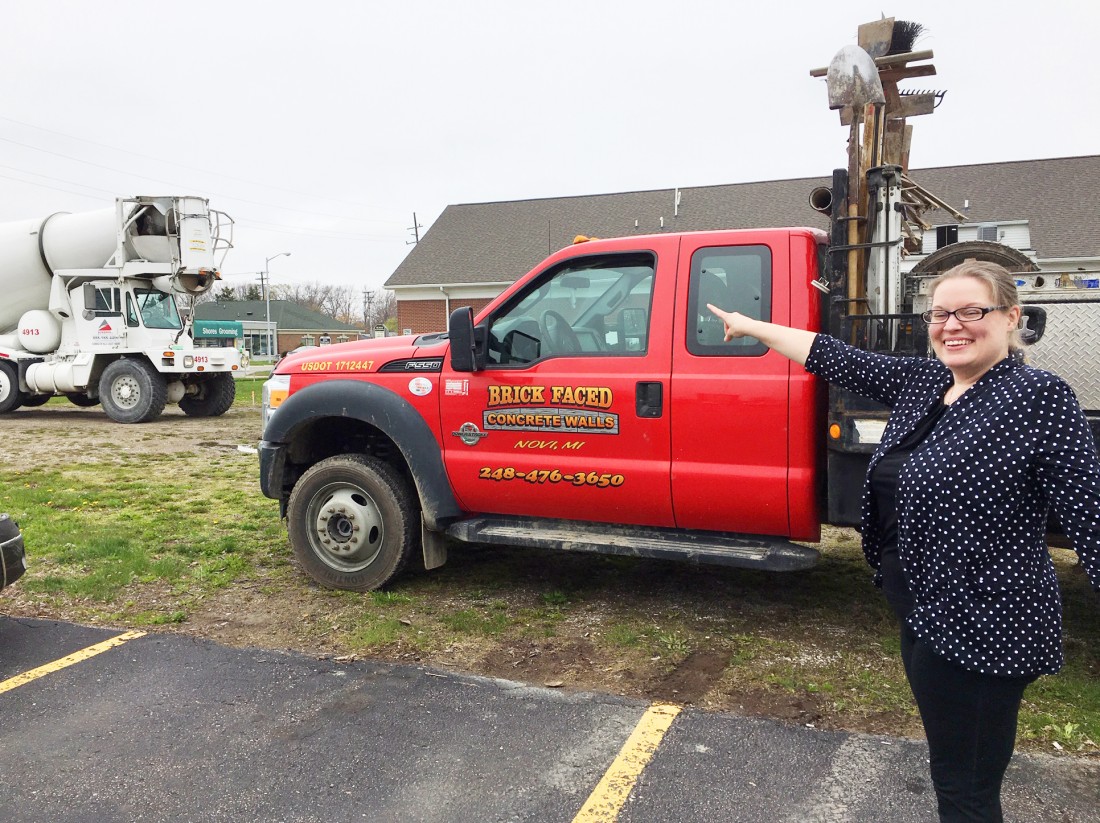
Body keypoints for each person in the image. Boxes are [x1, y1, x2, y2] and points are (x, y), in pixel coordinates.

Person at [708, 260, 1100, 823]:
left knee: (966, 789)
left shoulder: (1037, 398)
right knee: (952, 772)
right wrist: (753, 325)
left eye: (972, 311)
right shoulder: (931, 381)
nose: (953, 326)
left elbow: (1090, 515)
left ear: (1012, 317)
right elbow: (835, 356)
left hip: (986, 624)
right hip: (924, 614)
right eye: (942, 313)